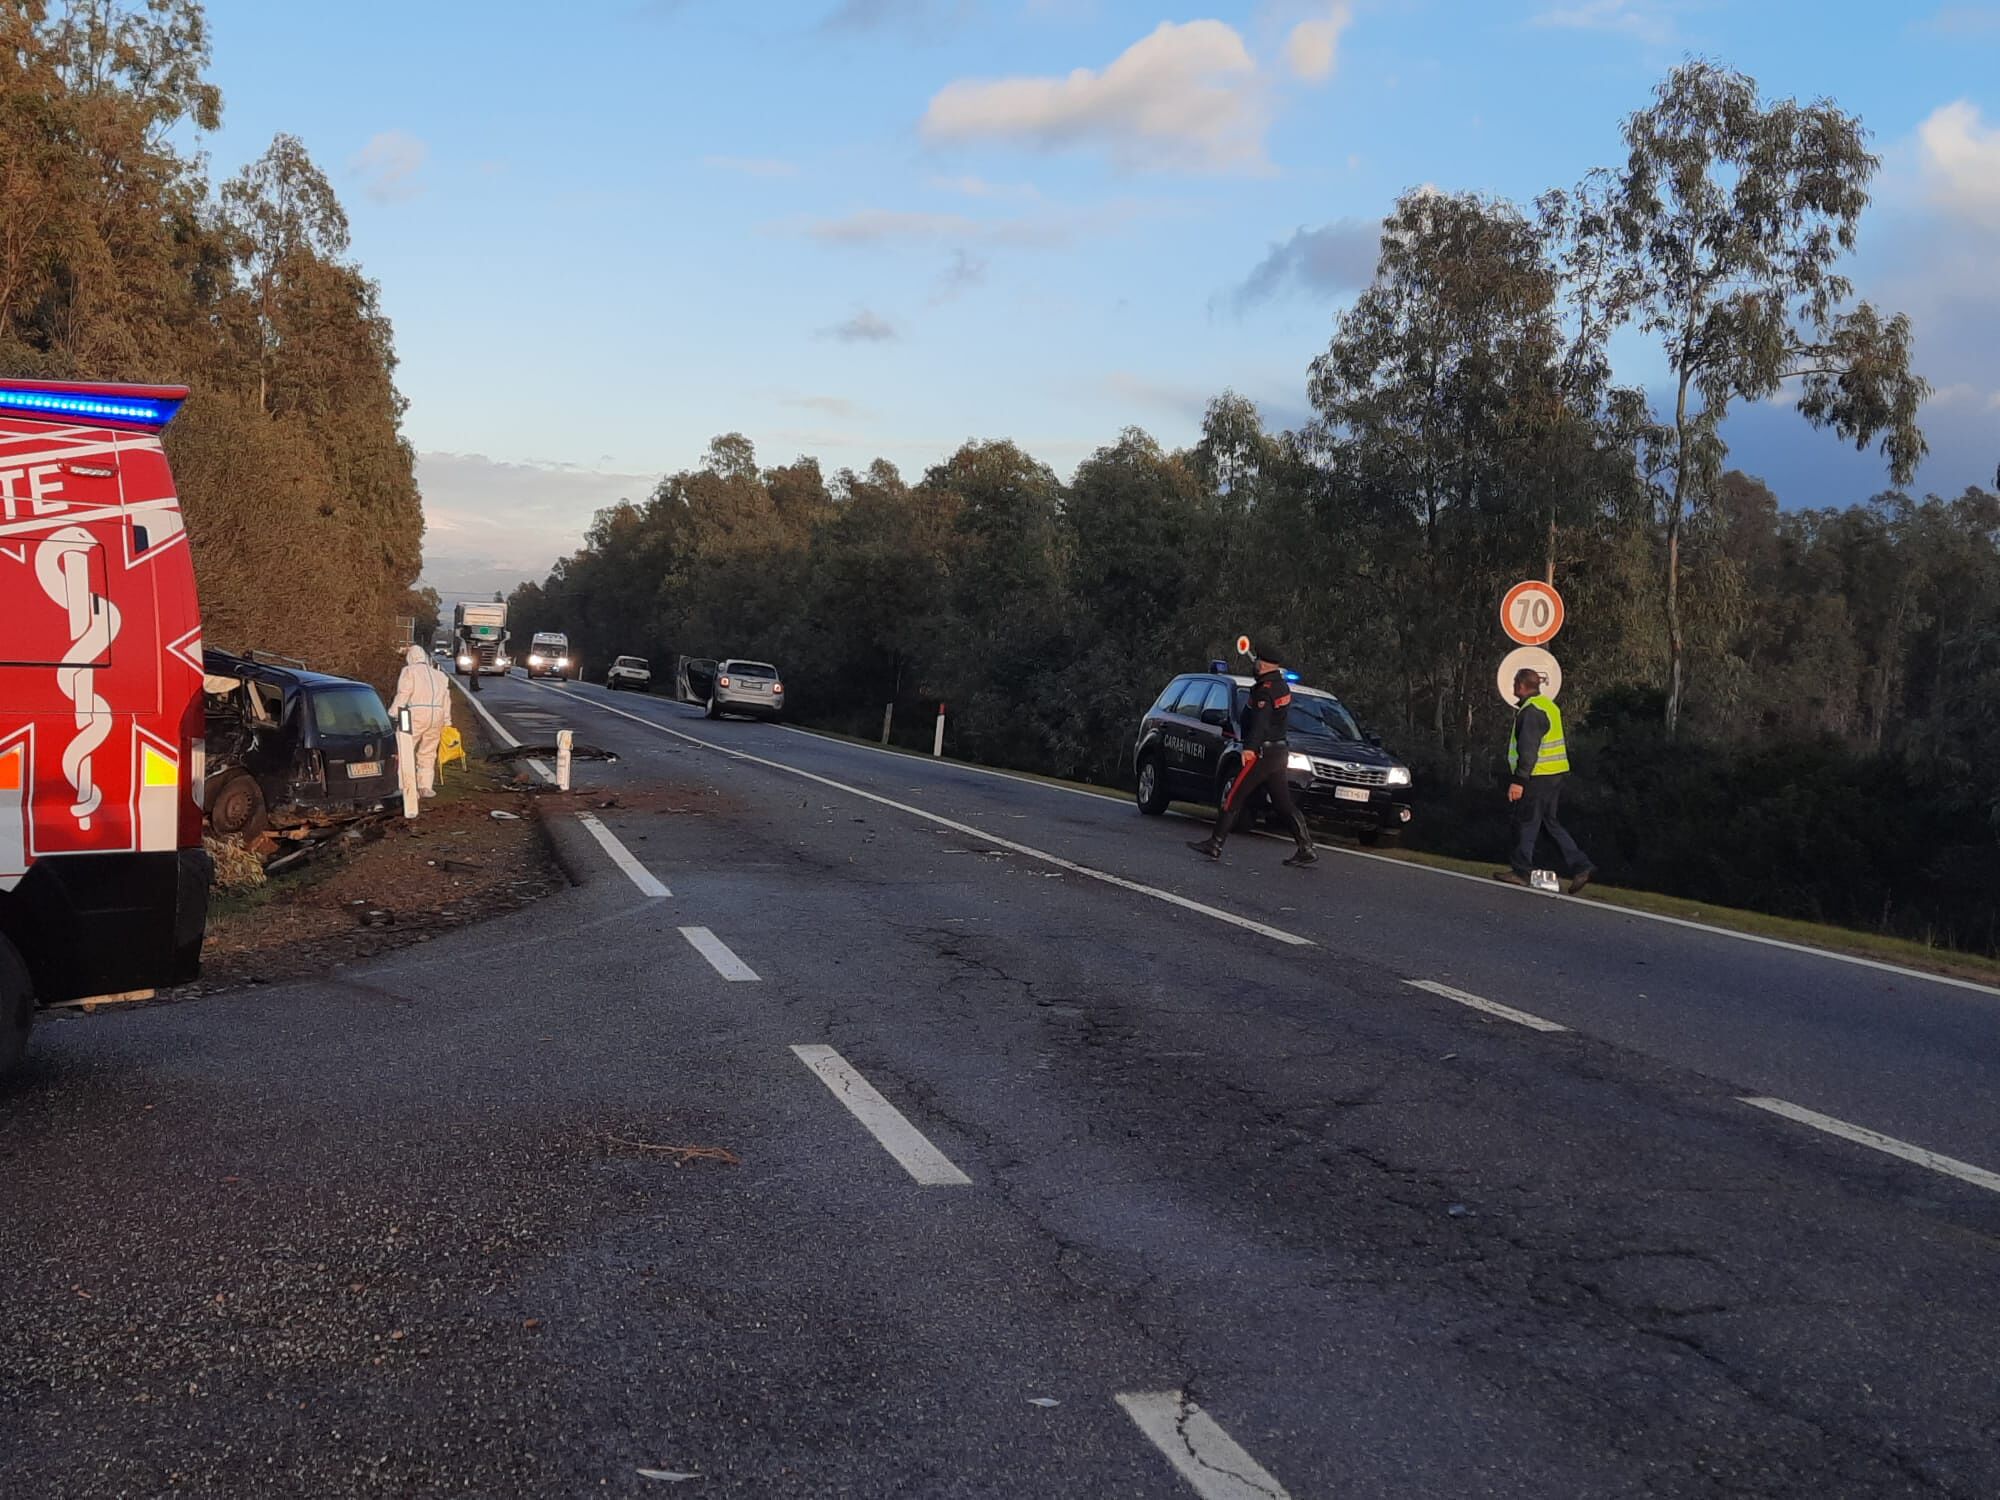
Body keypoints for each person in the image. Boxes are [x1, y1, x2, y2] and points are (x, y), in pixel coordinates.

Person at [1188, 643, 1317, 867]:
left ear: (1264, 664)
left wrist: (1249, 748)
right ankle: (1305, 847)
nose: (1254, 663)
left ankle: (1215, 843)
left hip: (1262, 753)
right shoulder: (1281, 687)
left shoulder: (1265, 691)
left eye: (1257, 660)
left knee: (1233, 795)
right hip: (1279, 752)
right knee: (1283, 803)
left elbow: (1260, 722)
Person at [1496, 667, 1594, 894]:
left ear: (1521, 685)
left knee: (1526, 822)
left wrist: (1519, 781)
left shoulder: (1531, 711)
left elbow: (1528, 749)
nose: (1513, 687)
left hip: (1537, 776)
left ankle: (1521, 872)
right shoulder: (1549, 706)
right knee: (1549, 823)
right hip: (1554, 775)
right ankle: (1581, 866)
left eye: (1515, 683)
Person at [389, 643, 453, 819]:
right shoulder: (440, 675)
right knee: (428, 752)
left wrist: (393, 713)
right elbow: (446, 700)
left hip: (413, 714)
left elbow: (403, 694)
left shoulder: (409, 671)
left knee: (405, 749)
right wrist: (447, 721)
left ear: (411, 657)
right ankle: (426, 786)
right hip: (436, 716)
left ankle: (406, 786)